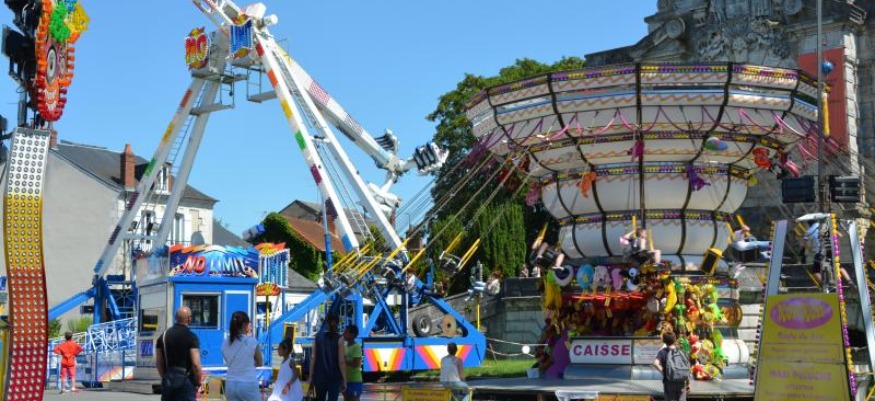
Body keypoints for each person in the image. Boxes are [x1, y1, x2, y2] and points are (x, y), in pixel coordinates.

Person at [156, 306, 202, 401]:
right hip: (186, 381)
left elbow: (159, 362)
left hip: (168, 380)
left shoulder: (163, 336)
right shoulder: (191, 337)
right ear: (189, 319)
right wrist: (198, 381)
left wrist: (164, 377)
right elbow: (195, 364)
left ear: (176, 318)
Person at [223, 311, 264, 401]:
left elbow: (228, 360)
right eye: (249, 323)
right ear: (244, 324)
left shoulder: (226, 342)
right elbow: (260, 362)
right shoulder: (252, 341)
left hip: (230, 384)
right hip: (248, 383)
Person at [308, 313, 346, 401]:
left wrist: (310, 377)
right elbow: (341, 362)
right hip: (334, 376)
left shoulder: (317, 337)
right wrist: (344, 379)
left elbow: (313, 357)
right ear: (338, 323)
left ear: (326, 323)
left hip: (319, 376)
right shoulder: (340, 339)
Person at [653, 332, 689, 401]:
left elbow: (655, 363)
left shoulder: (663, 352)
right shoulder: (681, 351)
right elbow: (687, 365)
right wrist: (688, 382)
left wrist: (664, 372)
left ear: (664, 341)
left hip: (669, 381)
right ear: (675, 339)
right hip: (681, 381)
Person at [342, 325, 363, 401]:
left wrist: (343, 360)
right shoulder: (345, 347)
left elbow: (356, 363)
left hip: (355, 381)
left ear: (352, 335)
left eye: (346, 332)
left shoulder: (356, 347)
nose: (343, 334)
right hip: (346, 380)